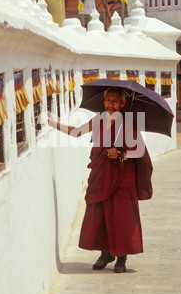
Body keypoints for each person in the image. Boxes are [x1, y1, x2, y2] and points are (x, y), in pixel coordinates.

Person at [48, 88, 153, 273]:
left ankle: (122, 257)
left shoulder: (128, 123)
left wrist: (122, 152)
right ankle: (106, 253)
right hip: (101, 175)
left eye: (115, 101)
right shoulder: (98, 120)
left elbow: (140, 151)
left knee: (122, 218)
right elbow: (76, 133)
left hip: (122, 179)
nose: (110, 104)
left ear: (122, 104)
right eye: (108, 100)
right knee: (102, 215)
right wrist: (51, 123)